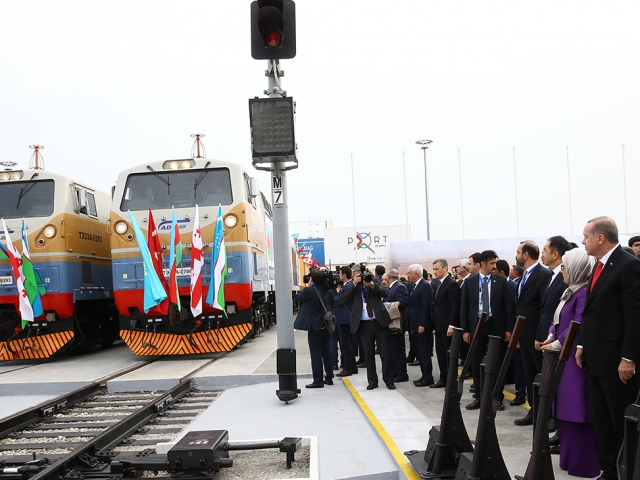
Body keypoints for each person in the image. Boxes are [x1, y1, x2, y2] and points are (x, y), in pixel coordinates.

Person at [576, 216, 640, 480]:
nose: (583, 241)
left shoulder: (628, 266)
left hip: (616, 362)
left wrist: (628, 358)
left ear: (600, 238)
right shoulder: (600, 265)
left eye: (586, 236)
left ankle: (629, 470)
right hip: (595, 357)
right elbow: (593, 311)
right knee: (601, 422)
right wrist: (582, 344)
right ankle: (609, 470)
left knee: (619, 421)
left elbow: (635, 316)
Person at [540, 248, 600, 478]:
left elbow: (578, 323)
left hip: (575, 361)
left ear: (576, 268)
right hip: (563, 359)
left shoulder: (584, 292)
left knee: (577, 411)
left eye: (565, 266)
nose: (562, 271)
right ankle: (568, 459)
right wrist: (551, 336)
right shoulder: (571, 291)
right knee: (564, 411)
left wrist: (559, 342)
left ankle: (583, 464)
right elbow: (559, 321)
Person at [460, 250, 513, 410]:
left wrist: (509, 329)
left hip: (495, 325)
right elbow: (464, 308)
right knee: (476, 362)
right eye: (492, 263)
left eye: (495, 263)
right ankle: (479, 396)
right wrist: (465, 330)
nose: (494, 266)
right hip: (476, 325)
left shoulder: (501, 282)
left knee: (496, 362)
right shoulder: (470, 283)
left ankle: (496, 397)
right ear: (482, 264)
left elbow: (508, 307)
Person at [513, 240, 552, 426]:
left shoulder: (543, 275)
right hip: (524, 335)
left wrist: (540, 335)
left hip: (537, 336)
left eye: (518, 252)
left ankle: (547, 414)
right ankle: (534, 411)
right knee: (529, 376)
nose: (516, 255)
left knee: (540, 375)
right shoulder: (524, 276)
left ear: (526, 254)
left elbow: (544, 309)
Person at [341, 265, 395, 390]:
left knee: (385, 353)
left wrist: (371, 285)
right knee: (368, 354)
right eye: (356, 273)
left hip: (379, 321)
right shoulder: (352, 286)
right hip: (363, 324)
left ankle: (389, 380)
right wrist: (354, 284)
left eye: (361, 273)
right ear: (353, 274)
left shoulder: (374, 280)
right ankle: (372, 381)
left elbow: (385, 293)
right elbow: (344, 298)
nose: (360, 276)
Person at [293, 269, 335, 388]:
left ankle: (318, 380)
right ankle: (329, 377)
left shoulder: (308, 291)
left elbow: (298, 297)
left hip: (314, 326)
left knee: (316, 353)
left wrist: (307, 285)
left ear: (312, 279)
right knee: (326, 351)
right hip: (326, 325)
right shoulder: (327, 290)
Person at [430, 258, 460, 388]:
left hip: (447, 326)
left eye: (437, 269)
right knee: (441, 353)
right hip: (439, 325)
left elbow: (455, 307)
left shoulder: (451, 284)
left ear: (445, 268)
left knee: (448, 355)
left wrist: (452, 325)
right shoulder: (438, 284)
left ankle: (451, 380)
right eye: (434, 269)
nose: (435, 272)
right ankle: (443, 378)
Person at [406, 263, 434, 387]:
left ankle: (428, 377)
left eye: (409, 273)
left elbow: (426, 307)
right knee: (419, 351)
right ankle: (424, 375)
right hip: (414, 324)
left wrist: (422, 324)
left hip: (421, 325)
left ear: (416, 274)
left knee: (424, 352)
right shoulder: (415, 286)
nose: (407, 275)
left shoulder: (425, 286)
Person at [383, 269, 410, 383]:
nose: (384, 281)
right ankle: (395, 371)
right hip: (390, 323)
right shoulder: (390, 287)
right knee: (392, 349)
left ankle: (402, 373)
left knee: (398, 349)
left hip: (397, 323)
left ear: (389, 277)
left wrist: (388, 306)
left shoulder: (399, 287)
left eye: (385, 279)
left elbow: (403, 302)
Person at [334, 266, 357, 377]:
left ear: (344, 275)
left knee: (345, 344)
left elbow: (340, 301)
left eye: (340, 273)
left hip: (345, 318)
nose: (339, 276)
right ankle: (352, 366)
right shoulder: (347, 286)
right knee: (347, 344)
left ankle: (348, 368)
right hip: (344, 318)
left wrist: (337, 293)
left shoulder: (349, 286)